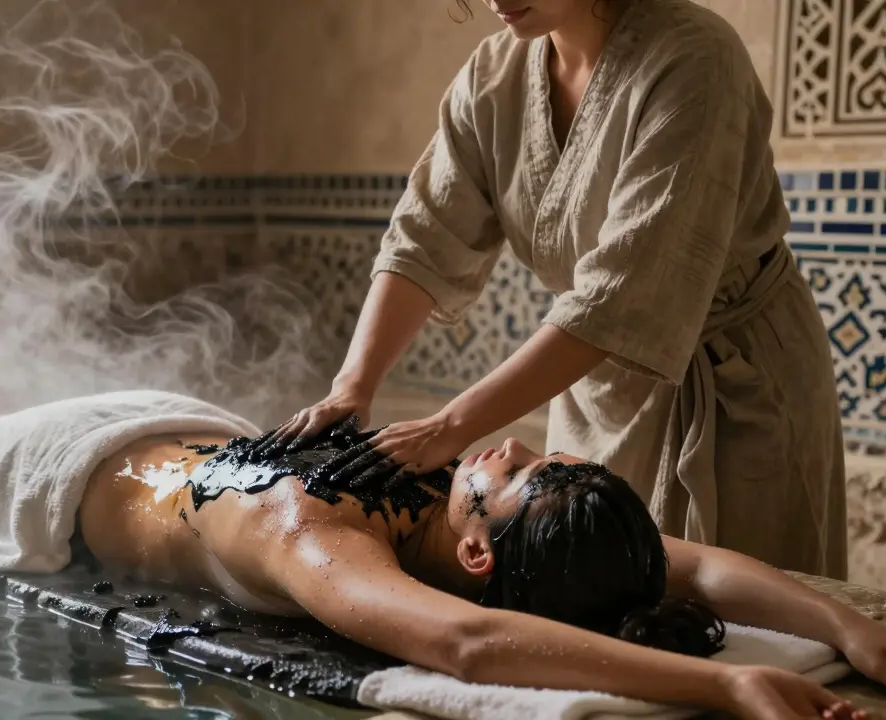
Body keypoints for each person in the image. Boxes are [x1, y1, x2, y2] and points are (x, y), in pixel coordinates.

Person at [0, 377, 886, 719]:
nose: (508, 451)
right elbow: (692, 564)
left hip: (54, 482)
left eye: (510, 477)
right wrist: (846, 627)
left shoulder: (314, 546)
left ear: (479, 549)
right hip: (166, 415)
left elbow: (469, 648)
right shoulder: (446, 499)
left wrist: (726, 692)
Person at [272, 0, 847, 579]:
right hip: (591, 385)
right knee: (582, 592)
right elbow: (424, 239)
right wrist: (352, 386)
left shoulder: (696, 60)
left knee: (748, 615)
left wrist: (449, 428)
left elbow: (618, 296)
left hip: (735, 390)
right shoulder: (493, 76)